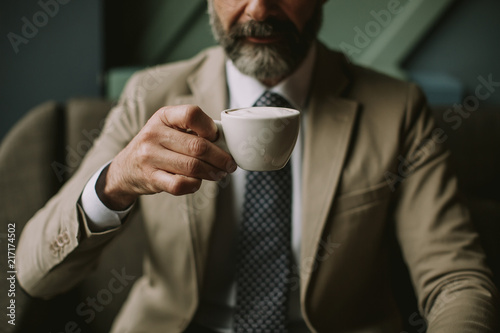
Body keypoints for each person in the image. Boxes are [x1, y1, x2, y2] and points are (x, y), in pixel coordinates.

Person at [17, 0, 498, 332]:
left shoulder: (398, 109)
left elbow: (456, 279)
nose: (260, 8)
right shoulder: (149, 95)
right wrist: (115, 182)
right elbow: (34, 273)